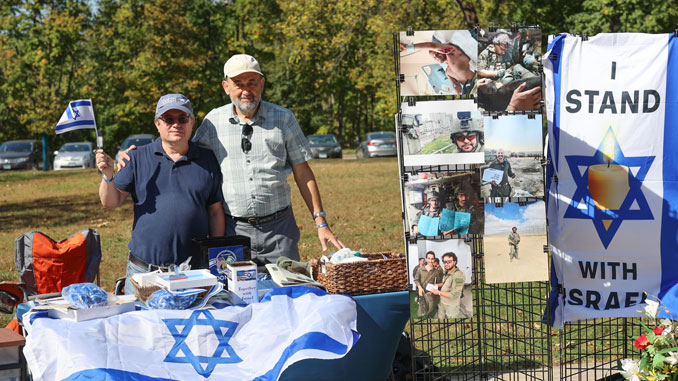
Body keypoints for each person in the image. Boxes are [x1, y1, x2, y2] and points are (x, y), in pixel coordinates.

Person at [118, 54, 344, 266]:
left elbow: (303, 172)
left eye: (252, 82)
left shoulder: (283, 119)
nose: (246, 90)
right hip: (233, 230)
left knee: (286, 291)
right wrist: (134, 157)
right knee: (234, 298)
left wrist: (320, 222)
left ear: (262, 84)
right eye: (238, 83)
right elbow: (185, 151)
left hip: (279, 230)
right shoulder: (213, 122)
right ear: (226, 87)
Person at [96, 94, 225, 295]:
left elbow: (215, 212)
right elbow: (110, 202)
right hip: (144, 272)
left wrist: (216, 258)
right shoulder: (136, 157)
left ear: (192, 122)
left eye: (182, 119)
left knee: (193, 325)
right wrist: (107, 175)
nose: (176, 125)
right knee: (140, 326)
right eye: (168, 119)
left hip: (193, 272)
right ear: (157, 123)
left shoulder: (207, 159)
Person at [401, 30, 478, 95]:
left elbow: (431, 45)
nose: (436, 57)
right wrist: (454, 85)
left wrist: (408, 47)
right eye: (434, 57)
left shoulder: (452, 52)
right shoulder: (448, 70)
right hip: (468, 90)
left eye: (437, 53)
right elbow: (449, 76)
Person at [430, 252, 466, 319]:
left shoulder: (458, 275)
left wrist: (438, 292)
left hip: (451, 306)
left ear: (454, 262)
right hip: (442, 302)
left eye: (449, 261)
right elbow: (444, 283)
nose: (446, 264)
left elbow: (454, 295)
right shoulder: (447, 271)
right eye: (444, 262)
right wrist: (437, 285)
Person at [414, 251, 444, 318]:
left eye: (432, 258)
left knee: (430, 306)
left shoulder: (437, 271)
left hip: (430, 292)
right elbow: (416, 280)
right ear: (426, 259)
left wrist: (433, 290)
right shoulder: (420, 269)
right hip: (421, 292)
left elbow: (439, 283)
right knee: (421, 307)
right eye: (429, 258)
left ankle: (428, 315)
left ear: (434, 259)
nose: (430, 260)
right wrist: (420, 288)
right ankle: (420, 319)